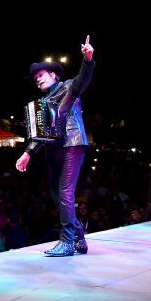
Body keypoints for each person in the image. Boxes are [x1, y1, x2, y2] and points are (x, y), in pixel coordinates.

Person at [16, 35, 95, 256]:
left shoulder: (68, 87)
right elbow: (39, 135)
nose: (37, 80)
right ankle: (79, 238)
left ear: (53, 75)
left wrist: (87, 60)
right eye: (35, 78)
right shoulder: (42, 103)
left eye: (41, 75)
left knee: (65, 193)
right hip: (53, 150)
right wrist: (27, 154)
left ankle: (67, 241)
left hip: (71, 143)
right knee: (56, 195)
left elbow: (82, 80)